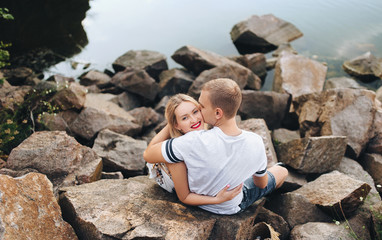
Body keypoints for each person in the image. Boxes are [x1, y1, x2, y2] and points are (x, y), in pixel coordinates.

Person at [144, 78, 288, 214]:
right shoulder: (256, 141)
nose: (198, 111)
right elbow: (261, 184)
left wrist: (172, 123)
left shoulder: (191, 141)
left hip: (205, 200)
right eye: (185, 117)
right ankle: (274, 203)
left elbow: (148, 154)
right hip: (230, 205)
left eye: (200, 107)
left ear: (218, 113)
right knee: (281, 170)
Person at [147, 93, 242, 206]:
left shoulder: (208, 136)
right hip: (164, 171)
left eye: (195, 111)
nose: (193, 120)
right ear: (177, 125)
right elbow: (185, 197)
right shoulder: (176, 156)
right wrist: (218, 199)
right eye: (185, 118)